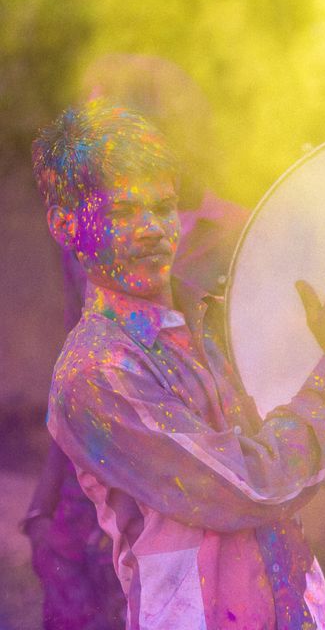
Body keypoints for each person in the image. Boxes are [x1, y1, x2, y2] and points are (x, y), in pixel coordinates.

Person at [32, 101, 325, 629]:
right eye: (122, 213)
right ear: (65, 226)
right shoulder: (94, 372)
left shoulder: (215, 319)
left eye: (163, 207)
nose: (151, 229)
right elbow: (252, 488)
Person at [22, 53, 248, 630]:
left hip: (191, 496)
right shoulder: (92, 232)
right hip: (90, 505)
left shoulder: (241, 235)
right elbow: (78, 357)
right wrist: (43, 507)